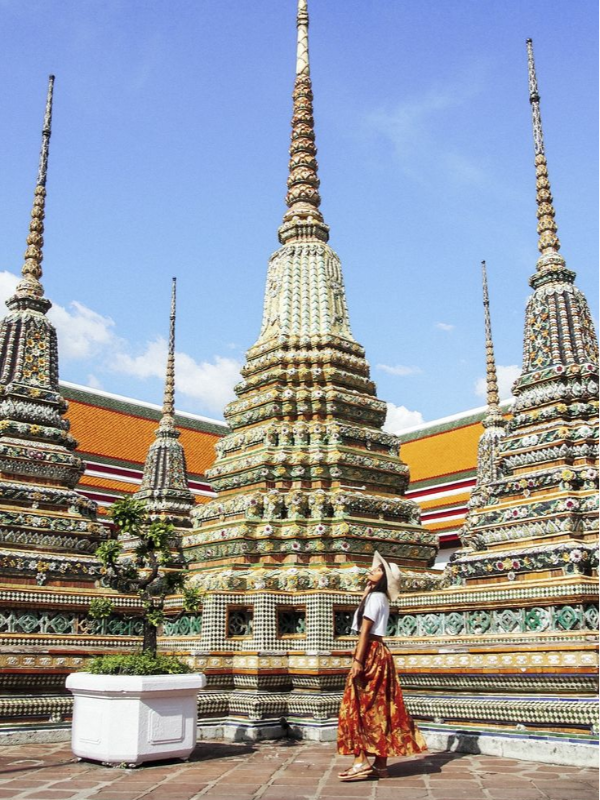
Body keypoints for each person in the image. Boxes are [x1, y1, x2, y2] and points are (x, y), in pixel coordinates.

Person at [337, 551, 427, 781]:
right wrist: (365, 592)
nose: (372, 570)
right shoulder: (378, 597)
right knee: (380, 706)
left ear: (384, 579)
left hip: (369, 652)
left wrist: (357, 661)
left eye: (377, 570)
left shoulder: (377, 599)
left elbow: (364, 631)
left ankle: (360, 761)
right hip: (379, 652)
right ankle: (381, 765)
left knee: (358, 705)